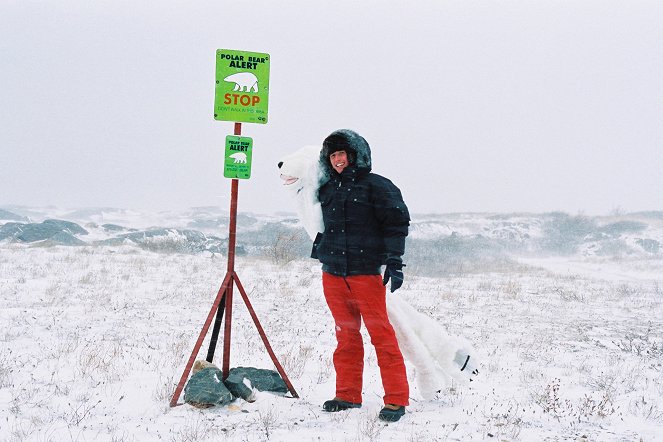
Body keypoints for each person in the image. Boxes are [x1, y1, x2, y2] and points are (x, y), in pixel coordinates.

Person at [311, 129, 411, 422]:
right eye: (333, 155)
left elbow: (396, 224)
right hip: (332, 275)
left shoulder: (378, 186)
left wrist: (394, 260)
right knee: (345, 336)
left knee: (382, 336)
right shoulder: (327, 188)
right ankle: (347, 395)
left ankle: (395, 399)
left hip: (366, 276)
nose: (338, 160)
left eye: (342, 154)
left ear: (355, 155)